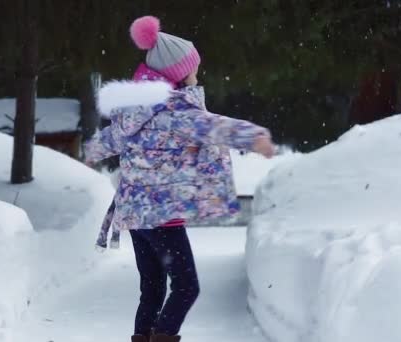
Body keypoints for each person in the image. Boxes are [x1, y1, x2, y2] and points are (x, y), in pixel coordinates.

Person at [85, 16, 275, 342]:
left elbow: (106, 141)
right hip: (162, 216)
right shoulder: (175, 111)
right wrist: (254, 137)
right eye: (193, 68)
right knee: (187, 287)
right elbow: (214, 126)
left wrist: (90, 152)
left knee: (153, 289)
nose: (197, 74)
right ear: (177, 73)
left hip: (135, 215)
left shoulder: (133, 110)